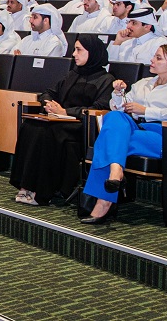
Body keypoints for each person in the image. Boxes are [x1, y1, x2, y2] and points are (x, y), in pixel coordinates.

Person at [81, 44, 167, 224]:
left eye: (158, 58)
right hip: (134, 127)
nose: (152, 60)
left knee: (110, 140)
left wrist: (147, 111)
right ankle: (115, 172)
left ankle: (104, 200)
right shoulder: (144, 83)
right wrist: (118, 93)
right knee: (114, 116)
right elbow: (119, 107)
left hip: (163, 134)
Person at [10, 35, 115, 206]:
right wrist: (49, 104)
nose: (74, 54)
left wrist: (65, 111)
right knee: (30, 126)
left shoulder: (106, 80)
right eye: (74, 49)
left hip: (81, 126)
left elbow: (99, 108)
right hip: (59, 120)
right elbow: (48, 92)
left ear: (93, 53)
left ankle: (42, 191)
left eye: (79, 50)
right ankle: (26, 185)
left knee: (47, 132)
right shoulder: (72, 74)